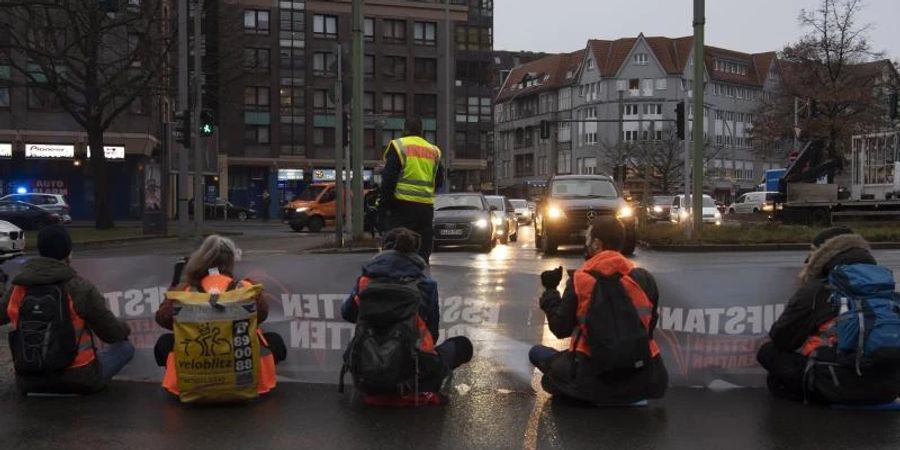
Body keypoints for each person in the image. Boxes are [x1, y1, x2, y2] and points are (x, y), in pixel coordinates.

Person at [529, 216, 667, 405]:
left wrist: (551, 292)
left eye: (587, 239)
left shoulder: (581, 280)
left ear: (596, 244)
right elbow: (650, 326)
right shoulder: (644, 279)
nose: (585, 244)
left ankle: (591, 393)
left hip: (591, 377)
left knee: (537, 354)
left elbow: (560, 329)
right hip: (644, 379)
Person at [757, 227, 900, 404]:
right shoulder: (884, 285)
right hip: (889, 388)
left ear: (821, 255)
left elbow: (783, 338)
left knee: (767, 351)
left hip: (837, 384)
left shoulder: (819, 289)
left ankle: (810, 392)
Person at [341, 227, 472, 404]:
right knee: (463, 345)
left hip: (367, 374)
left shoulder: (364, 281)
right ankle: (425, 383)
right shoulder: (425, 284)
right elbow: (432, 334)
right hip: (414, 373)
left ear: (383, 249)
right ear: (414, 252)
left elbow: (347, 313)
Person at [0, 225, 134, 394]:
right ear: (68, 252)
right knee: (125, 348)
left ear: (40, 250)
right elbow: (111, 333)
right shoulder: (80, 287)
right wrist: (125, 329)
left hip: (28, 380)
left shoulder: (18, 287)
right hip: (80, 379)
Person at [154, 235, 286, 398]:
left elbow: (163, 318)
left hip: (192, 376)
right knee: (274, 340)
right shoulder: (246, 288)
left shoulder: (185, 291)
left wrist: (177, 282)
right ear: (231, 262)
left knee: (165, 342)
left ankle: (186, 381)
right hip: (242, 368)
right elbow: (261, 315)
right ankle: (251, 380)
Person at [378, 117, 444, 264]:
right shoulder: (434, 151)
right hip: (426, 209)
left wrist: (384, 208)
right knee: (422, 254)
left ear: (404, 130)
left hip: (401, 206)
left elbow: (389, 180)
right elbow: (439, 181)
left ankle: (398, 281)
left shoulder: (399, 146)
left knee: (397, 251)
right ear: (422, 132)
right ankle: (419, 281)